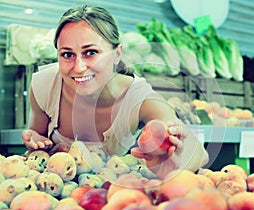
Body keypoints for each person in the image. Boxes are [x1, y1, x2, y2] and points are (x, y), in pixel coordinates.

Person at [21, 5, 208, 178]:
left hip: (109, 198)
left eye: (91, 52)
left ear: (117, 54)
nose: (78, 67)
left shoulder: (138, 98)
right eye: (67, 54)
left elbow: (198, 154)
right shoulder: (44, 85)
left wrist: (174, 162)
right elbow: (37, 148)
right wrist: (35, 140)